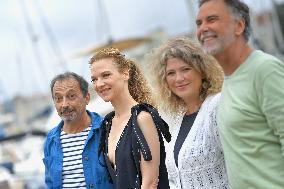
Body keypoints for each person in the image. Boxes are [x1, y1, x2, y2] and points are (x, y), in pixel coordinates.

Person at [196, 0, 284, 188]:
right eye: (199, 23)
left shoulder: (264, 70)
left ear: (239, 25)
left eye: (212, 19)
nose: (203, 28)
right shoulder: (229, 80)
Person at [146, 37, 228, 188]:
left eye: (185, 69)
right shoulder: (176, 120)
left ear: (202, 70)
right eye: (171, 73)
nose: (179, 78)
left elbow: (242, 161)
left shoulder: (217, 105)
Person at [89, 47, 171, 189]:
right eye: (94, 79)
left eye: (106, 75)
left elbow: (150, 183)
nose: (99, 84)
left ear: (125, 73)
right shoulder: (108, 124)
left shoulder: (143, 118)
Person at [43, 72, 113, 189]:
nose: (64, 104)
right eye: (58, 98)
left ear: (87, 98)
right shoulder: (51, 140)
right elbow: (50, 183)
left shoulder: (107, 129)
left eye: (71, 96)